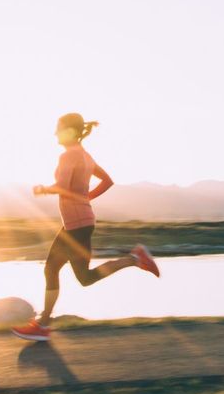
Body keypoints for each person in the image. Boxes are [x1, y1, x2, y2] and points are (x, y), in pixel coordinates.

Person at [11, 114, 160, 342]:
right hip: (80, 222)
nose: (55, 133)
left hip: (76, 226)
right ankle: (135, 258)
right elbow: (107, 181)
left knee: (56, 270)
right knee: (78, 276)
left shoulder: (68, 156)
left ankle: (43, 325)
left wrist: (43, 189)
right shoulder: (86, 156)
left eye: (58, 129)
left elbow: (62, 187)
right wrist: (86, 198)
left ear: (70, 131)